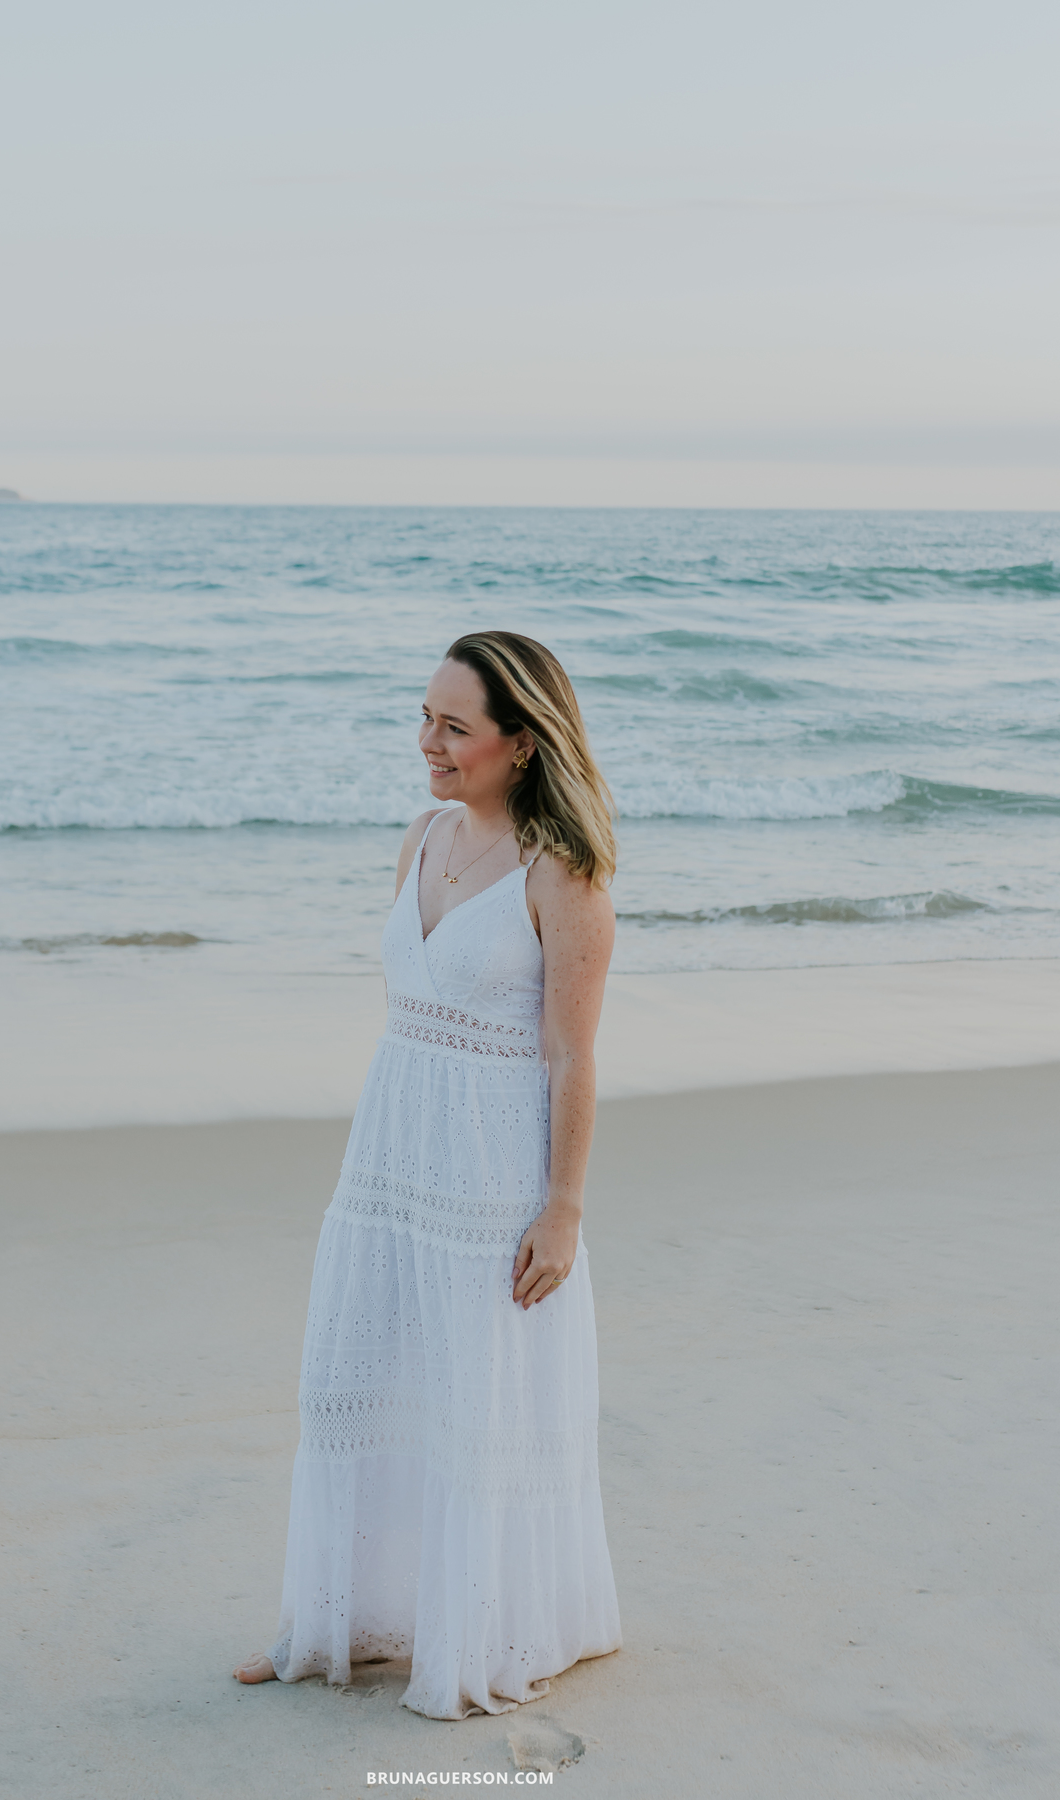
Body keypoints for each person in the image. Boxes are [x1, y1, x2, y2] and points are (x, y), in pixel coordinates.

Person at [233, 630, 622, 1719]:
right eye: (425, 717)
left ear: (523, 741)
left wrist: (564, 1207)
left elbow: (572, 1053)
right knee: (352, 1383)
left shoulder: (564, 873)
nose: (428, 744)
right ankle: (333, 1622)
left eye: (455, 727)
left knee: (469, 1406)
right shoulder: (421, 837)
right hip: (391, 1157)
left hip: (491, 1177)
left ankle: (475, 1631)